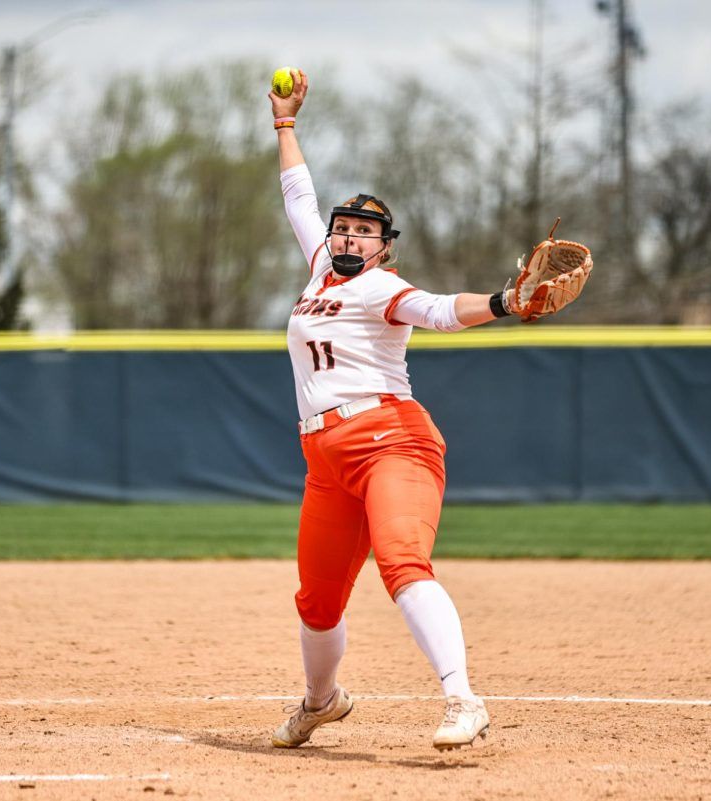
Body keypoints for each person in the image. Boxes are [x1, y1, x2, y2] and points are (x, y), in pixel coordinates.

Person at [268, 69, 525, 752]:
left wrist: (504, 303)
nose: (350, 238)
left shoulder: (384, 286)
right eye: (344, 229)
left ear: (385, 246)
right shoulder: (320, 268)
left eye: (365, 232)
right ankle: (321, 702)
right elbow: (298, 196)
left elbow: (441, 311)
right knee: (316, 600)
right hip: (324, 459)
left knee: (402, 562)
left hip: (391, 441)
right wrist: (285, 124)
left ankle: (463, 699)